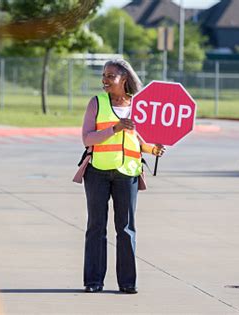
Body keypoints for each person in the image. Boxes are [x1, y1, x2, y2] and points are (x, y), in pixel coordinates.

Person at [75, 59, 165, 294]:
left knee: (125, 229)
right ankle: (93, 281)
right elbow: (87, 139)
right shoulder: (97, 103)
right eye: (104, 75)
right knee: (96, 227)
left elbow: (140, 142)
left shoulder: (139, 105)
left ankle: (127, 283)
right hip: (98, 173)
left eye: (111, 76)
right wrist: (114, 129)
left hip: (129, 174)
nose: (105, 80)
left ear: (124, 79)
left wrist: (153, 149)